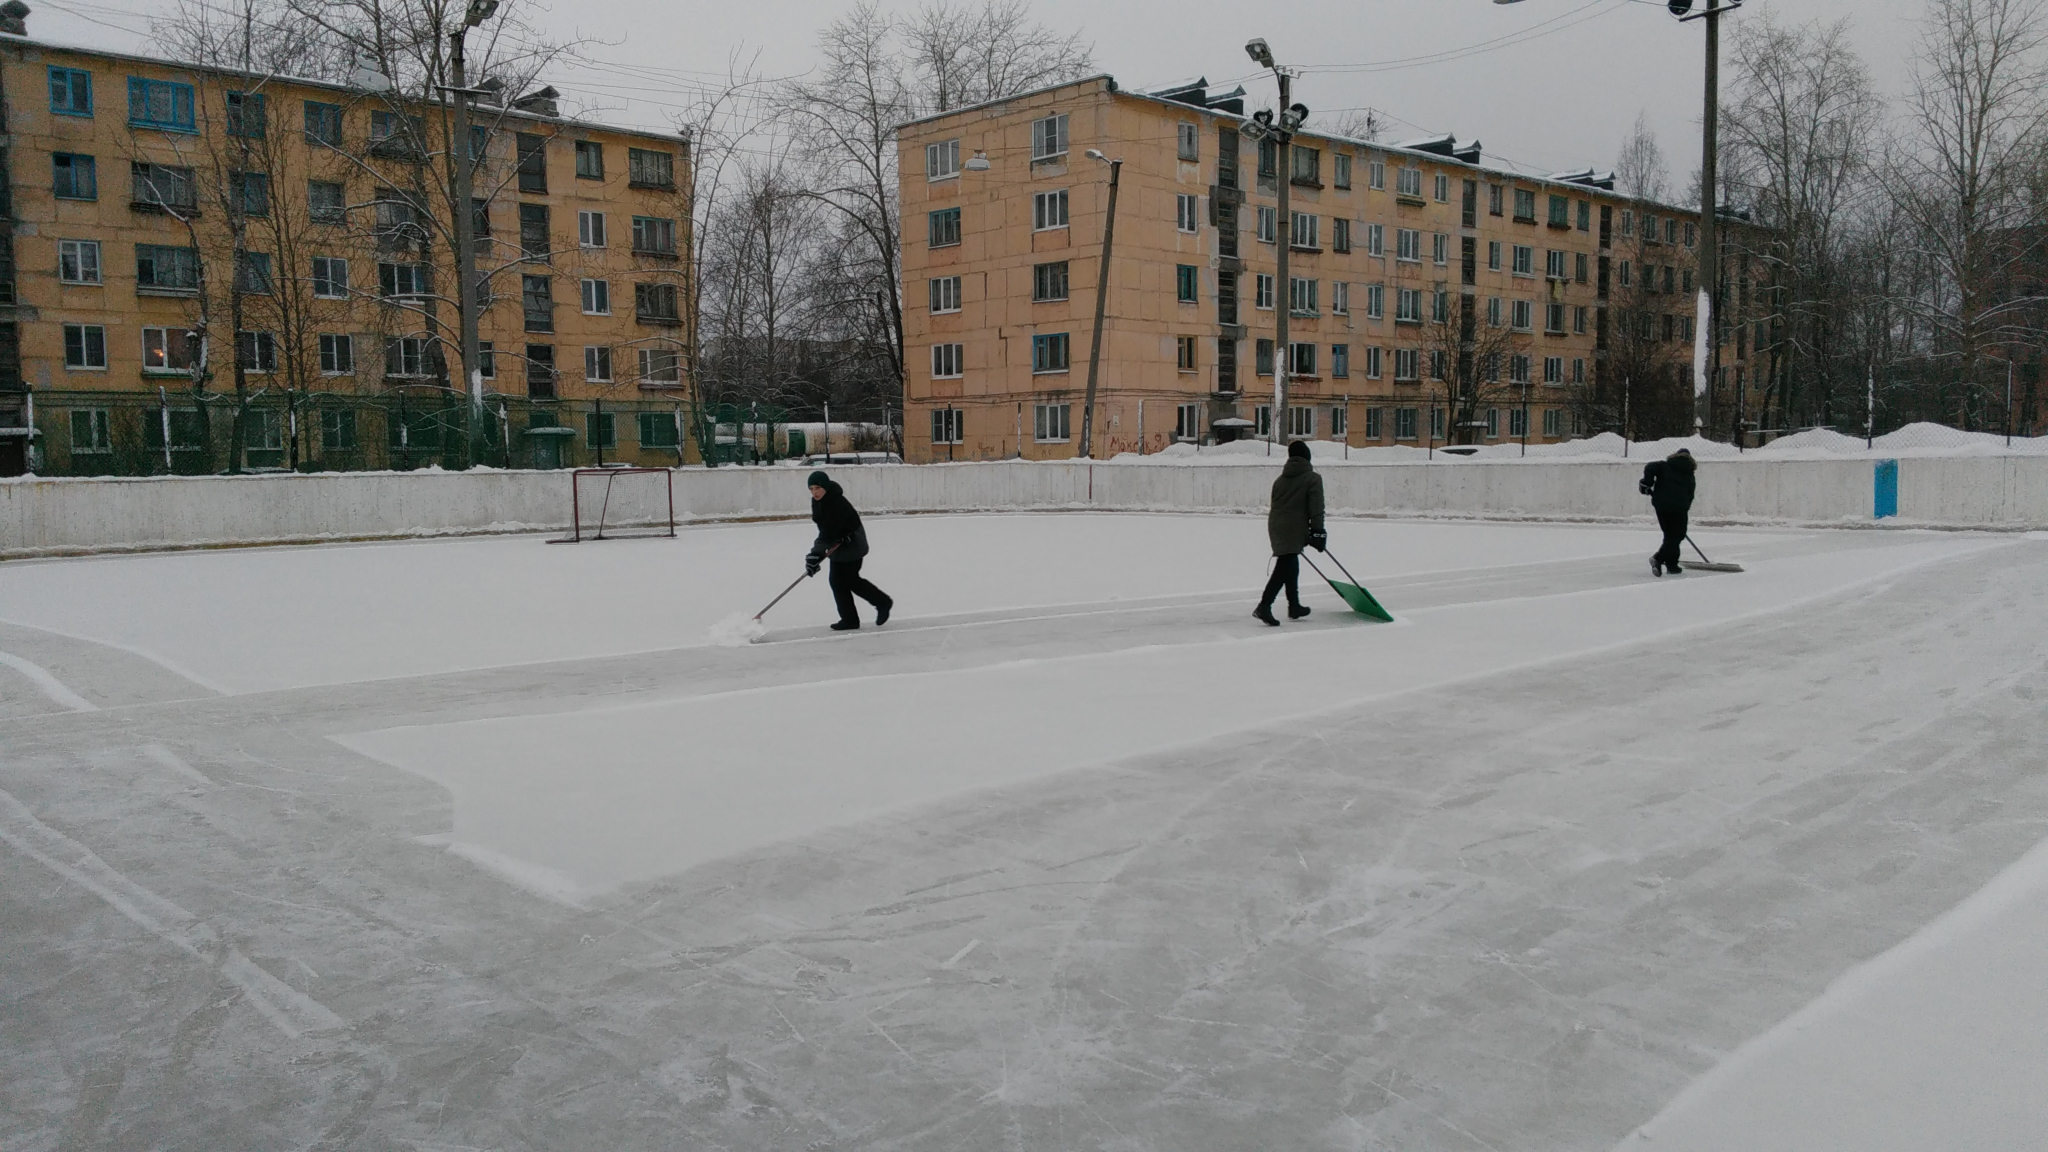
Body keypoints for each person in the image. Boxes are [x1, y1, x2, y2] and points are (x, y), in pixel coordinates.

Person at [805, 470, 892, 630]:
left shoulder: (836, 503)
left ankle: (883, 603)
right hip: (838, 544)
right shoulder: (818, 501)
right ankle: (850, 620)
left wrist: (815, 554)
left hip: (853, 543)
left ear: (826, 487)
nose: (814, 492)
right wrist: (817, 553)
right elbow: (824, 529)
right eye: (811, 488)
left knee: (850, 580)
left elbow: (829, 531)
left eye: (817, 488)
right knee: (837, 582)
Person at [1255, 439, 1327, 625]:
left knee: (1291, 563)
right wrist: (1318, 532)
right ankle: (1264, 605)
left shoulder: (1280, 480)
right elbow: (1316, 507)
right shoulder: (1312, 478)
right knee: (1285, 566)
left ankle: (1294, 606)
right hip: (1293, 527)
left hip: (1276, 526)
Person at [1640, 447, 1697, 577]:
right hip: (1679, 508)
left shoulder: (1664, 466)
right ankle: (1659, 559)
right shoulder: (1689, 474)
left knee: (1670, 535)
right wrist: (1685, 508)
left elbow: (1649, 467)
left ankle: (1672, 565)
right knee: (1677, 535)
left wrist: (1647, 483)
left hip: (1661, 505)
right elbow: (1690, 494)